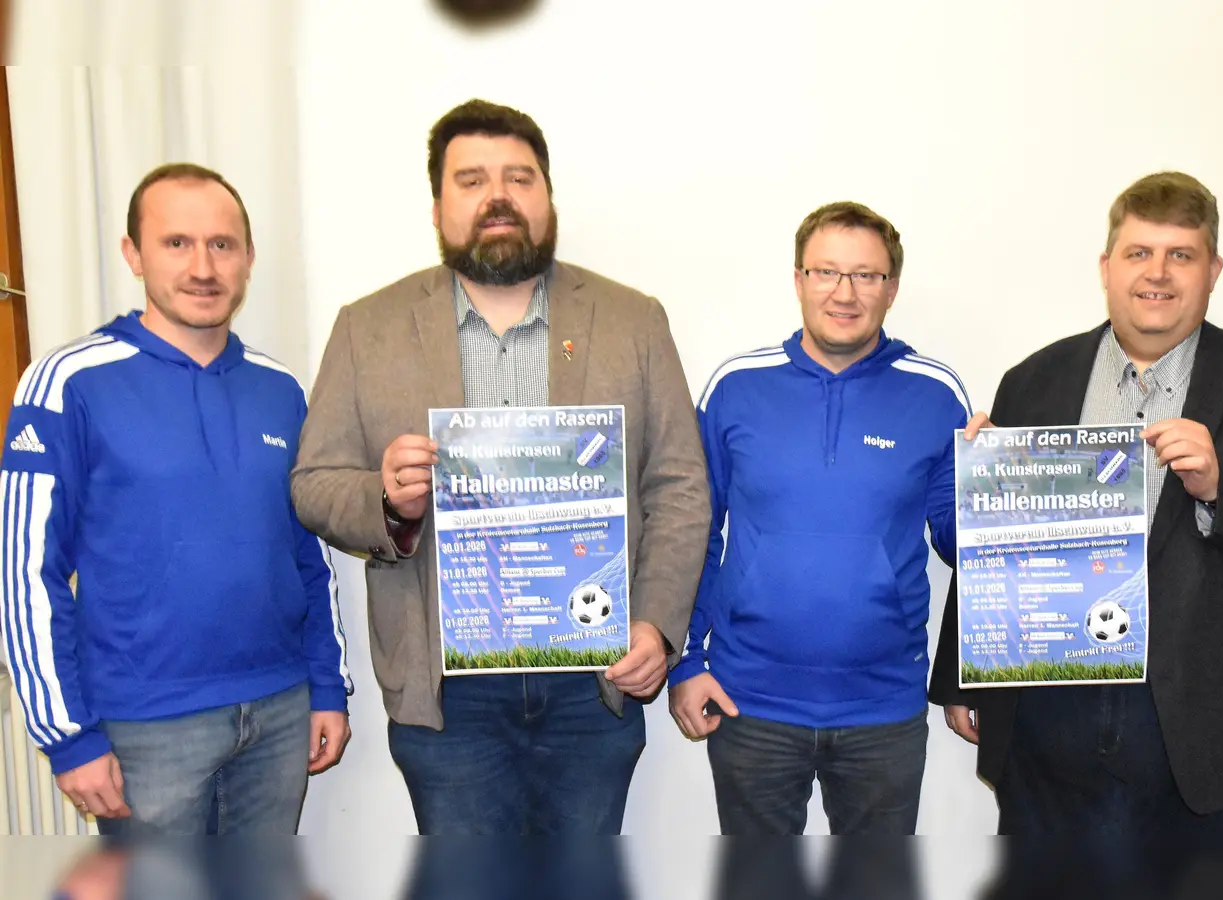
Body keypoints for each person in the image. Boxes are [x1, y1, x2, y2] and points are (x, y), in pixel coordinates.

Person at [290, 99, 710, 834]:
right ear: (436, 206)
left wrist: (658, 625)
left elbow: (678, 486)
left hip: (595, 679)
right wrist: (387, 500)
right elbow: (314, 484)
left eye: (520, 178)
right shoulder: (368, 327)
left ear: (547, 198)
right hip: (444, 692)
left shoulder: (632, 319)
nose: (499, 197)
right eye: (472, 179)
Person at [929, 171, 1223, 844]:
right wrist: (969, 672)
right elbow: (1001, 551)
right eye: (1139, 253)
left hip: (1204, 721)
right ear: (1107, 267)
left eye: (1181, 255)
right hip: (1052, 717)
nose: (1157, 274)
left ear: (1213, 270)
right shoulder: (1035, 378)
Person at [0, 163, 351, 834]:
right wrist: (67, 735)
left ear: (247, 259)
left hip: (278, 712)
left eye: (222, 244)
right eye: (176, 243)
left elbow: (308, 554)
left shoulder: (281, 389)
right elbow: (23, 571)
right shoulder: (68, 381)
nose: (203, 266)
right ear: (133, 254)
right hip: (144, 727)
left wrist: (327, 686)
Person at [666, 201, 974, 835]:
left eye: (866, 275)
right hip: (748, 702)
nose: (845, 292)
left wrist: (994, 484)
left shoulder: (937, 392)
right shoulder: (735, 386)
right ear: (799, 279)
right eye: (827, 272)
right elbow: (693, 530)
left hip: (883, 709)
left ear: (891, 288)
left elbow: (956, 541)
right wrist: (686, 663)